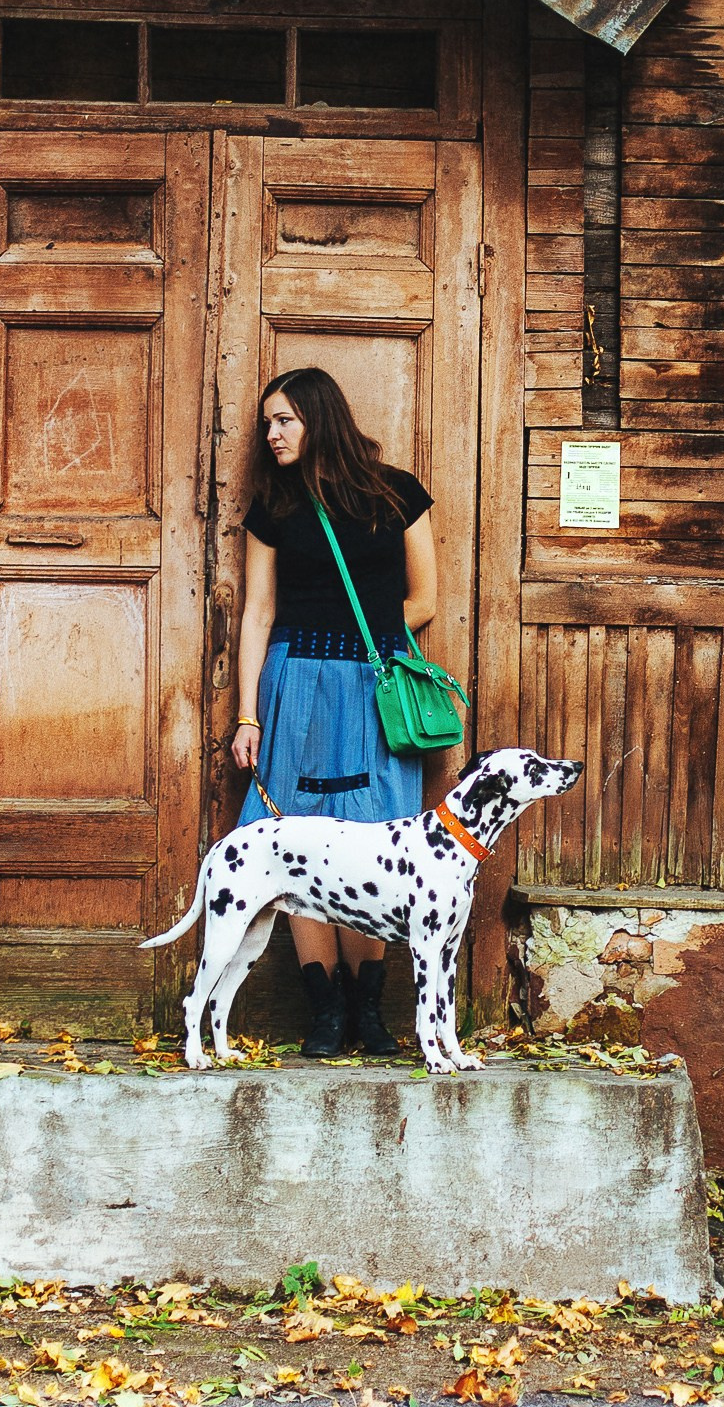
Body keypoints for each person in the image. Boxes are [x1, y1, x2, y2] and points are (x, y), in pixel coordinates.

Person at [230, 365, 439, 1058]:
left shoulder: (397, 494)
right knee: (297, 840)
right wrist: (247, 714)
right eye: (267, 423)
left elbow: (426, 599)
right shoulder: (274, 507)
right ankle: (324, 1010)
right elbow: (257, 613)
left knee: (375, 836)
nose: (272, 434)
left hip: (374, 687)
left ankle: (367, 1010)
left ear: (319, 419)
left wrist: (365, 647)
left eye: (283, 420)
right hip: (297, 686)